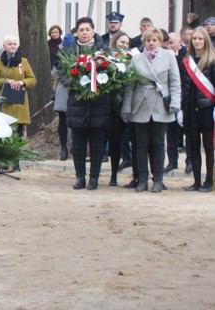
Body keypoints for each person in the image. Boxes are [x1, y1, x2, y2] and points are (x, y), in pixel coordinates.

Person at [121, 27, 181, 193]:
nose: (151, 43)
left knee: (158, 144)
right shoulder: (136, 59)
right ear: (144, 42)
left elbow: (175, 81)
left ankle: (158, 179)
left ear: (160, 42)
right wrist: (127, 108)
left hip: (161, 104)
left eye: (154, 40)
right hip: (140, 105)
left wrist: (175, 102)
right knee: (140, 145)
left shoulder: (168, 56)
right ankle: (142, 179)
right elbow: (130, 87)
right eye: (148, 40)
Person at [61, 17, 112, 190]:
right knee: (78, 144)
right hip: (77, 104)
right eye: (81, 30)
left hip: (99, 104)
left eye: (87, 29)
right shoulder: (69, 51)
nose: (84, 32)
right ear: (77, 32)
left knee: (97, 144)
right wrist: (73, 82)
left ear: (93, 31)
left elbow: (112, 71)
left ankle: (94, 178)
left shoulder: (103, 50)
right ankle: (80, 177)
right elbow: (62, 73)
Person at [0, 35, 36, 172]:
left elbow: (32, 79)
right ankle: (3, 162)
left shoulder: (24, 62)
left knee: (18, 134)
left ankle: (15, 162)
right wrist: (6, 81)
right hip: (4, 104)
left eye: (14, 44)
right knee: (3, 134)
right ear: (4, 46)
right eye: (9, 44)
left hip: (19, 104)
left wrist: (22, 82)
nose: (12, 46)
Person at [179, 26, 215, 192]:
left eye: (201, 39)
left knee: (208, 147)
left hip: (207, 108)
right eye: (195, 39)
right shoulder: (186, 61)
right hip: (190, 109)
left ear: (206, 40)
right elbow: (183, 86)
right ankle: (196, 181)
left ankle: (209, 181)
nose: (198, 41)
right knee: (193, 146)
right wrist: (180, 108)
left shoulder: (212, 60)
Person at [107, 32, 132, 186]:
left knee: (121, 141)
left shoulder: (130, 59)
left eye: (127, 43)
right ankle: (110, 175)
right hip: (109, 106)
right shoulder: (107, 58)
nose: (124, 45)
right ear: (115, 42)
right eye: (122, 42)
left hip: (124, 105)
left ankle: (117, 174)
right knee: (110, 142)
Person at [165, 32, 188, 173]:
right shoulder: (165, 56)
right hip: (170, 100)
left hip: (185, 100)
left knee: (189, 134)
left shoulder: (186, 55)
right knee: (171, 133)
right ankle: (172, 161)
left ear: (179, 43)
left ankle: (190, 162)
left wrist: (177, 58)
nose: (169, 45)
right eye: (168, 42)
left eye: (172, 42)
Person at [52, 32, 75, 161]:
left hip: (73, 89)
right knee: (63, 120)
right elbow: (55, 73)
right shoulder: (60, 56)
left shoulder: (75, 54)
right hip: (63, 89)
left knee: (70, 120)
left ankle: (69, 147)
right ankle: (64, 148)